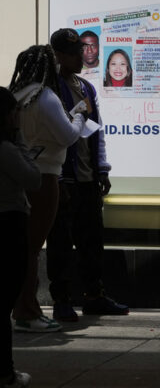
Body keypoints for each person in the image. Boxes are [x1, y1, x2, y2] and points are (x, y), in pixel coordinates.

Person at [46, 28, 129, 323]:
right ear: (57, 55)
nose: (80, 58)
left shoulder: (86, 87)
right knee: (61, 243)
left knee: (92, 241)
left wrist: (102, 168)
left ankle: (94, 296)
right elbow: (49, 136)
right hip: (64, 179)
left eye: (80, 52)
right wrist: (57, 179)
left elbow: (97, 130)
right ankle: (62, 300)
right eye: (73, 54)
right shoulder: (49, 89)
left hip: (88, 178)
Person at [10, 44, 85, 333]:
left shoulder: (18, 95)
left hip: (20, 175)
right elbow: (67, 136)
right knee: (32, 248)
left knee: (22, 246)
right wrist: (79, 115)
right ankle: (28, 311)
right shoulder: (46, 96)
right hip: (46, 177)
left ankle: (23, 307)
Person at [0, 87, 38, 387]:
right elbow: (33, 179)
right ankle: (5, 372)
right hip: (8, 225)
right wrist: (21, 140)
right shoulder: (6, 149)